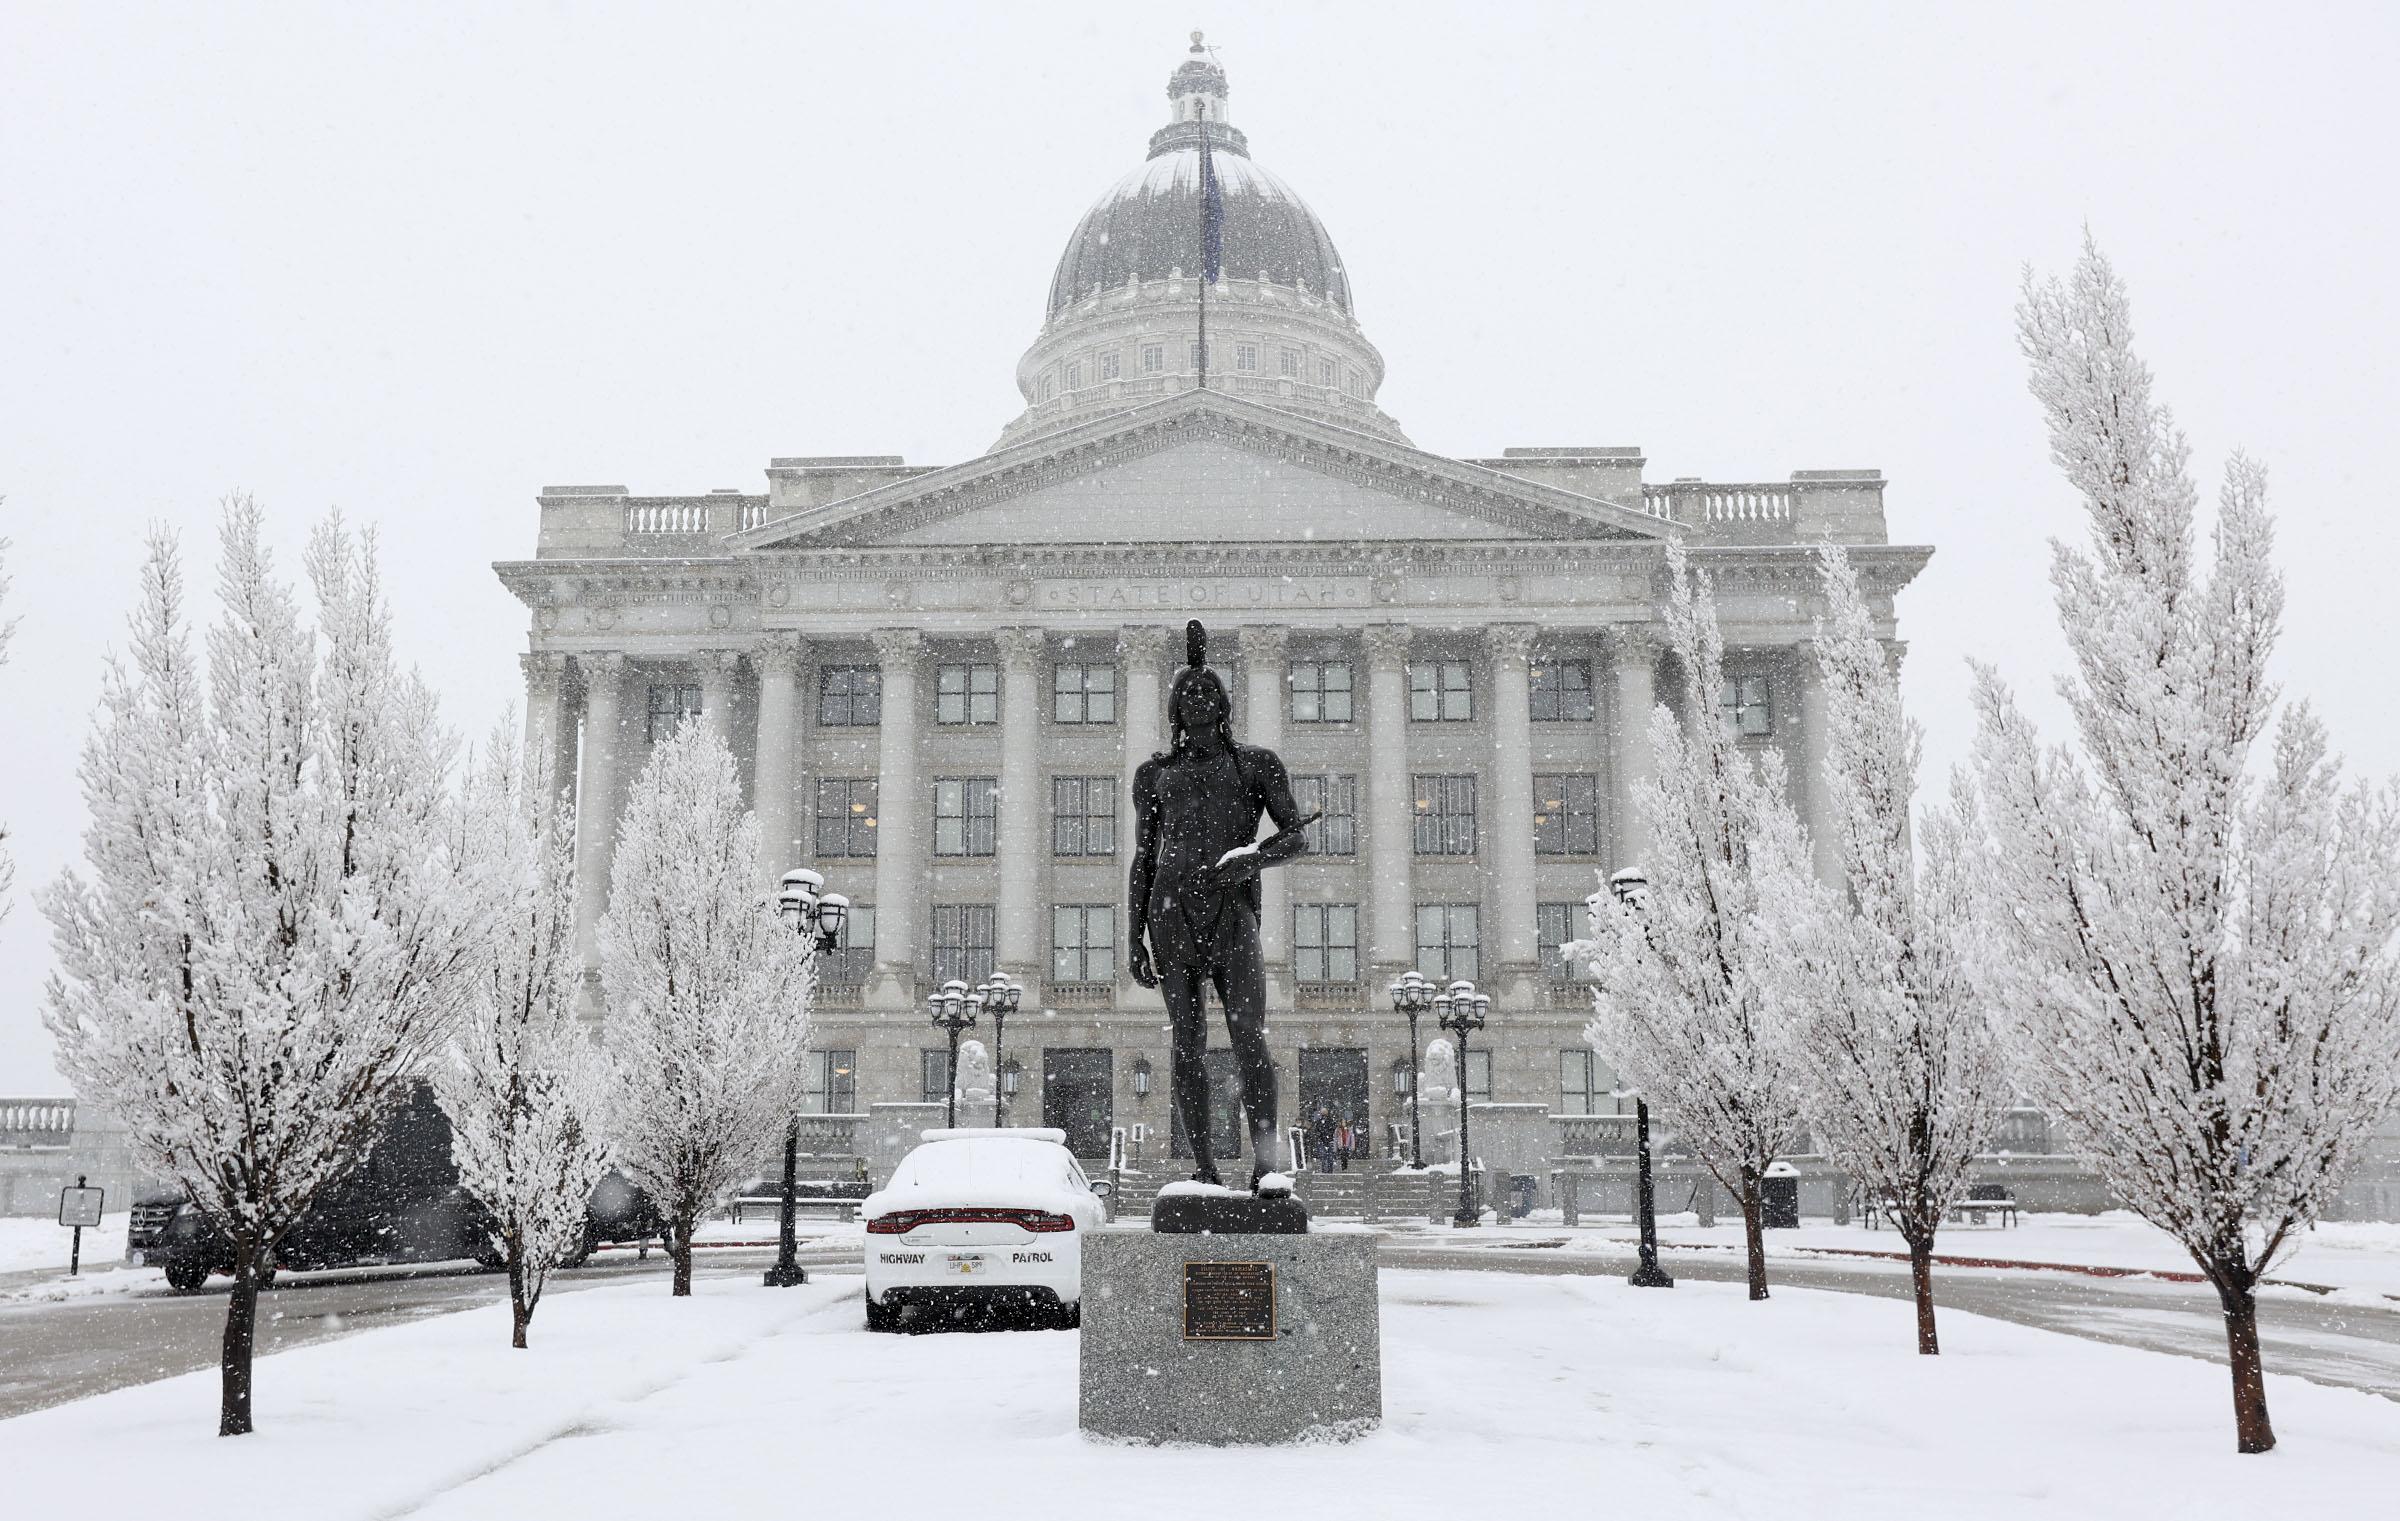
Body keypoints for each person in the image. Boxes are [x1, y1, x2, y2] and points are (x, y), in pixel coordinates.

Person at [1129, 621, 1312, 1192]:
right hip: (1170, 906)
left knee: (1249, 1036)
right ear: (1175, 709)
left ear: (1225, 703)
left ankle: (1264, 1162)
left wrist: (1249, 861)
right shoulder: (1155, 774)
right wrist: (1134, 936)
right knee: (1187, 1044)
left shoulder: (1257, 764)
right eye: (1188, 692)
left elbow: (1294, 836)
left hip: (1232, 907)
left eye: (1208, 691)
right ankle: (1204, 1165)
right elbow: (1143, 857)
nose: (1199, 698)